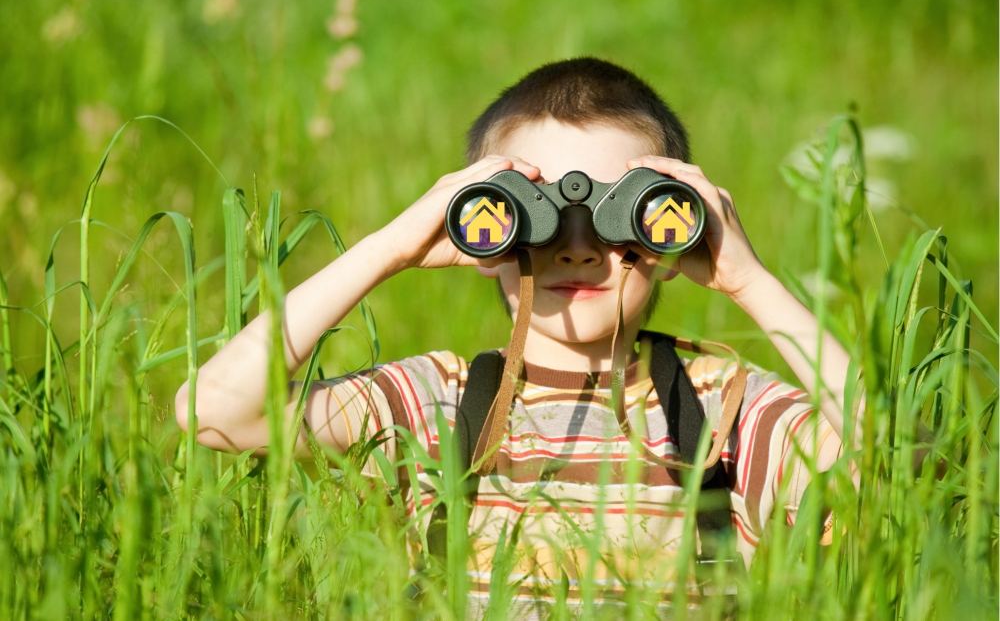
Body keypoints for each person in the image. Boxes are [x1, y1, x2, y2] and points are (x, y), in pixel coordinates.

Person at [175, 57, 853, 617]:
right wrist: (392, 246)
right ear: (485, 227)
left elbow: (897, 463)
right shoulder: (436, 404)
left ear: (671, 229)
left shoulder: (726, 412)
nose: (579, 248)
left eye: (622, 216)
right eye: (540, 216)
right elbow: (216, 412)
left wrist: (747, 277)